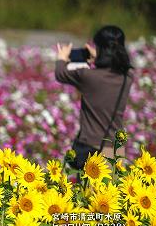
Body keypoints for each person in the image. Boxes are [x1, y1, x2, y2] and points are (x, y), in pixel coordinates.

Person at [55, 25, 134, 170]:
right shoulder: (127, 78)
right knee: (113, 191)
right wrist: (100, 59)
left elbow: (60, 73)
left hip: (91, 151)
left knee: (88, 193)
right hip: (116, 152)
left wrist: (62, 57)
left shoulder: (88, 76)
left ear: (100, 49)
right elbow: (112, 70)